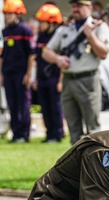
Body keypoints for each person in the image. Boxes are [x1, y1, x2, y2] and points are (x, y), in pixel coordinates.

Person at [42, 0, 109, 145]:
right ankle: (76, 164)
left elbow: (103, 54)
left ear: (89, 7)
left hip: (88, 80)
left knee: (93, 128)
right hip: (68, 80)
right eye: (74, 6)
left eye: (79, 6)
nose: (75, 9)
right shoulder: (65, 29)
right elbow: (46, 52)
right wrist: (58, 59)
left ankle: (94, 163)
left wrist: (90, 35)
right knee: (73, 128)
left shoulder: (98, 27)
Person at [0, 0, 36, 143]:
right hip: (8, 73)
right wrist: (1, 74)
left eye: (10, 14)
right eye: (6, 14)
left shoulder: (25, 30)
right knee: (12, 104)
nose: (7, 17)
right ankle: (15, 134)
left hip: (21, 74)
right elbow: (2, 55)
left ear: (17, 14)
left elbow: (31, 55)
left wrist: (28, 75)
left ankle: (24, 134)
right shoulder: (5, 32)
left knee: (23, 104)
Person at [33, 3, 64, 143]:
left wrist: (61, 80)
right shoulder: (40, 37)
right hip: (42, 77)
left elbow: (63, 60)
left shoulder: (58, 37)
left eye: (42, 22)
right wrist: (36, 79)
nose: (40, 24)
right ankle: (49, 133)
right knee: (45, 107)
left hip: (54, 77)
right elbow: (37, 59)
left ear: (51, 22)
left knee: (55, 107)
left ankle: (57, 134)